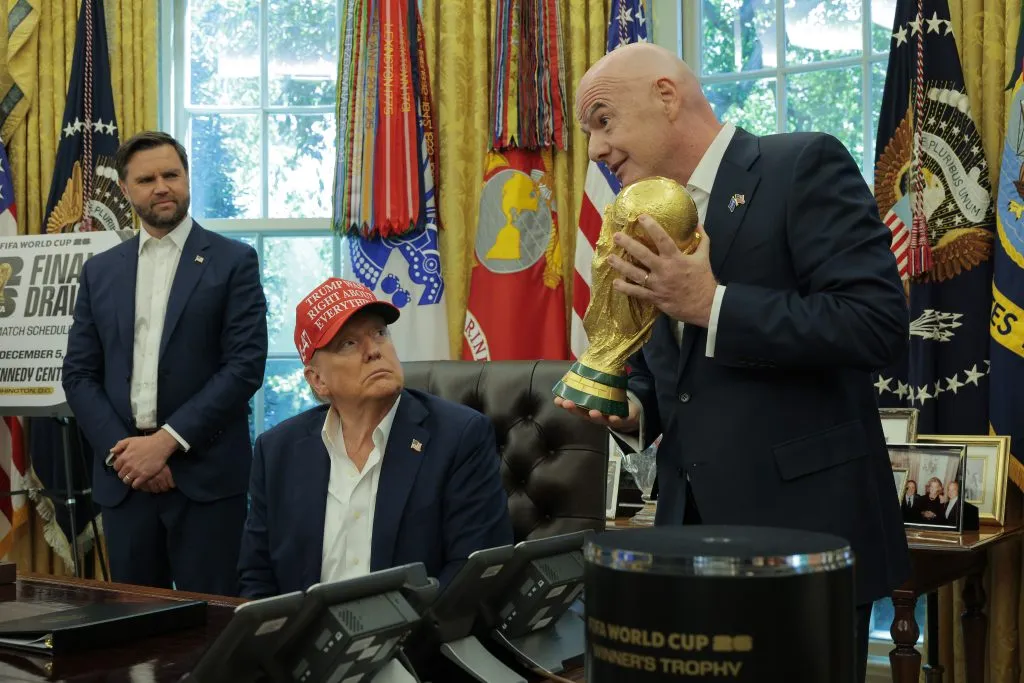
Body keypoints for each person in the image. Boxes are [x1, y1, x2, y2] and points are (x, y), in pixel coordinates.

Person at [556, 43, 910, 682]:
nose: (595, 152)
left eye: (603, 122)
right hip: (684, 545)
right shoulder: (644, 212)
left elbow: (877, 324)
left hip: (802, 545)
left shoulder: (800, 165)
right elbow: (674, 378)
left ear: (667, 96)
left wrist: (712, 304)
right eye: (589, 133)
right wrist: (630, 408)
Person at [63, 131, 268, 595]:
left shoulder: (234, 261)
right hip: (125, 479)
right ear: (126, 189)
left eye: (171, 175)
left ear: (187, 178)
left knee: (215, 628)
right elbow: (78, 374)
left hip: (206, 477)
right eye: (147, 178)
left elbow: (244, 366)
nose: (161, 186)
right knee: (135, 635)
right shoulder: (101, 271)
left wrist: (166, 444)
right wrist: (128, 452)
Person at [237, 278, 513, 599]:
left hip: (414, 640)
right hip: (306, 642)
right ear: (317, 380)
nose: (373, 351)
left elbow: (473, 571)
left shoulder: (460, 436)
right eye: (348, 344)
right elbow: (256, 577)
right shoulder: (277, 451)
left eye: (379, 333)